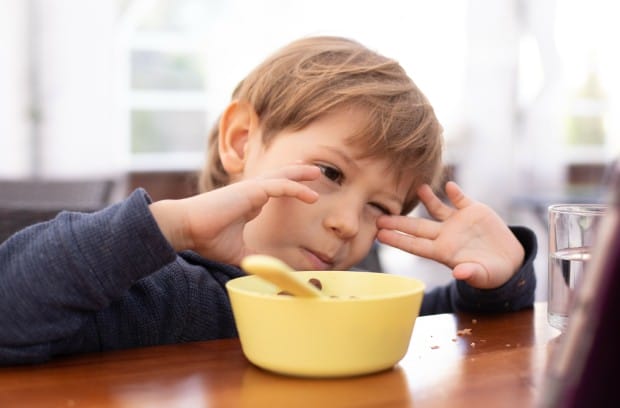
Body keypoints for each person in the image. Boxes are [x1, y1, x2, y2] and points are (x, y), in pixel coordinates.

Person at [0, 36, 536, 365]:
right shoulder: (170, 292)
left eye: (382, 208)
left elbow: (447, 326)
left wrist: (496, 280)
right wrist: (170, 226)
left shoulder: (338, 302)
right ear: (240, 141)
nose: (349, 223)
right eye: (330, 172)